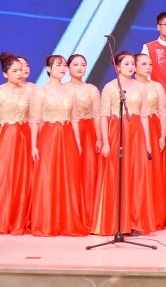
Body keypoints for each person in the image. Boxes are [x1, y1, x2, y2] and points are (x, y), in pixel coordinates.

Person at [92, 52, 154, 236]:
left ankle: (134, 221)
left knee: (136, 175)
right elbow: (104, 116)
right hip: (117, 132)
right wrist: (105, 142)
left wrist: (147, 142)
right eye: (126, 64)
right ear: (117, 67)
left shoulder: (140, 87)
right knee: (118, 175)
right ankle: (116, 221)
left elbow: (144, 116)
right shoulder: (110, 87)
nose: (131, 66)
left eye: (132, 63)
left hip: (136, 133)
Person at [29, 55, 88, 236]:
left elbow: (75, 119)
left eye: (64, 65)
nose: (62, 68)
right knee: (48, 176)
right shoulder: (41, 92)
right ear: (48, 69)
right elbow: (35, 120)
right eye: (58, 65)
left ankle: (68, 221)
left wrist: (78, 142)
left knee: (69, 177)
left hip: (68, 134)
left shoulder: (70, 92)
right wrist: (34, 145)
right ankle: (47, 222)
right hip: (48, 136)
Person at [0, 52, 37, 235]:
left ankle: (21, 219)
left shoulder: (29, 91)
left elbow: (33, 118)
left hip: (25, 136)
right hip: (7, 136)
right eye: (15, 71)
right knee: (6, 177)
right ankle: (3, 218)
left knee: (24, 177)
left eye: (20, 70)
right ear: (5, 73)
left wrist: (34, 144)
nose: (19, 73)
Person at [133, 53, 166, 230]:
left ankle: (154, 215)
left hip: (153, 130)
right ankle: (136, 214)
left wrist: (162, 135)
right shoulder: (129, 87)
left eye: (150, 64)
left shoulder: (156, 86)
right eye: (144, 64)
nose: (148, 67)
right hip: (133, 128)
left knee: (154, 169)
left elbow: (163, 112)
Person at [65, 54, 101, 222]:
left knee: (88, 170)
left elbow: (97, 116)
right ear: (68, 68)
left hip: (87, 133)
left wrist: (99, 138)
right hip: (67, 132)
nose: (79, 68)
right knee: (70, 170)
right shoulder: (63, 89)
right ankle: (70, 212)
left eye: (83, 65)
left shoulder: (92, 89)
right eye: (75, 64)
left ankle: (88, 213)